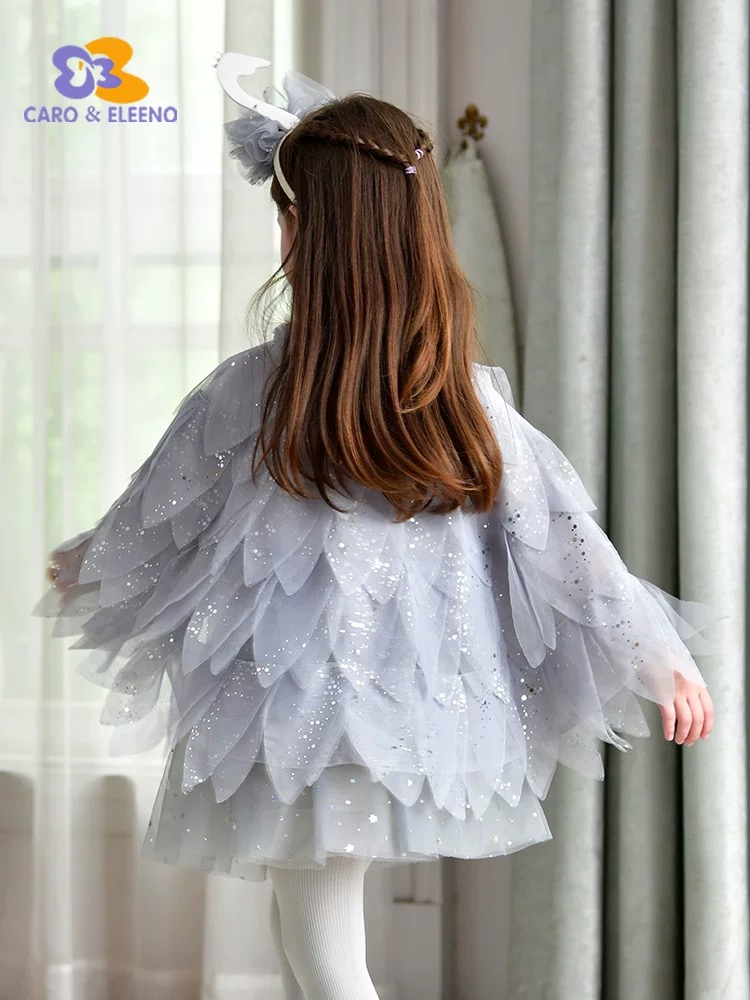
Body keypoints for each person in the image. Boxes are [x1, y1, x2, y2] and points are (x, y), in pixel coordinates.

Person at [35, 54, 720, 1000]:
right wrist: (652, 653)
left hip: (300, 708)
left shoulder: (265, 391)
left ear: (308, 235)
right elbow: (565, 545)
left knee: (323, 949)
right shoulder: (454, 403)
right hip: (389, 708)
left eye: (286, 214)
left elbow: (160, 510)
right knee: (309, 933)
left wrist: (89, 564)